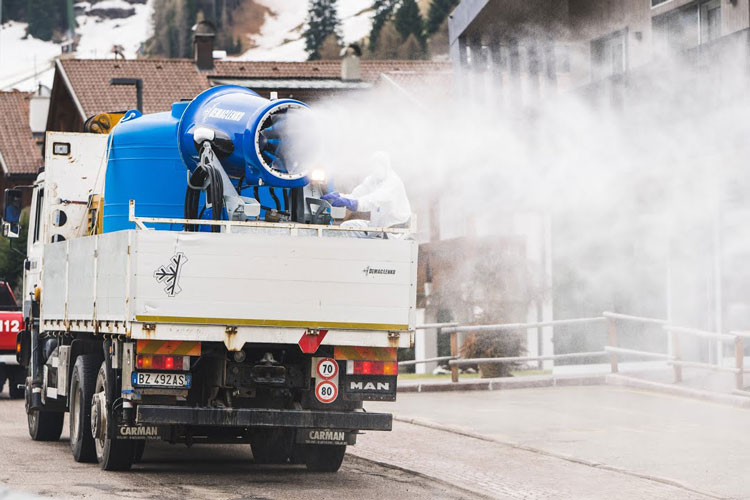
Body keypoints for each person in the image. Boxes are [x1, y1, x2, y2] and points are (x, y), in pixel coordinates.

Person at [322, 152, 411, 235]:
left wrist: (355, 203)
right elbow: (356, 196)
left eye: (379, 165)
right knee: (346, 227)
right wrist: (340, 196)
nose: (376, 169)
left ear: (386, 166)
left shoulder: (393, 182)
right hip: (377, 226)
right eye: (374, 166)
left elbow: (374, 200)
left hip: (394, 231)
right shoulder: (372, 180)